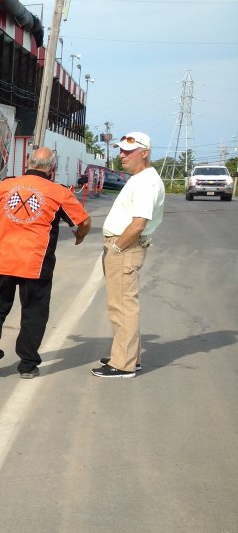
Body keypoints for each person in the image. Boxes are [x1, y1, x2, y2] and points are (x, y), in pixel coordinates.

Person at [0, 146, 91, 379]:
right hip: (36, 263)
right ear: (52, 168)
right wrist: (79, 236)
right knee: (34, 313)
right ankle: (27, 365)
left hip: (2, 259)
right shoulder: (59, 192)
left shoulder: (6, 186)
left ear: (28, 162)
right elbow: (84, 222)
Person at [92, 131, 165, 379]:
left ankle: (123, 364)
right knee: (121, 304)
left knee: (122, 306)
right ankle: (128, 356)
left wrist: (117, 248)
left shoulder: (145, 181)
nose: (122, 155)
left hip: (125, 248)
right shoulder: (141, 178)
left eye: (128, 151)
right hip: (124, 246)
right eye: (121, 150)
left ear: (144, 153)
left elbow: (138, 224)